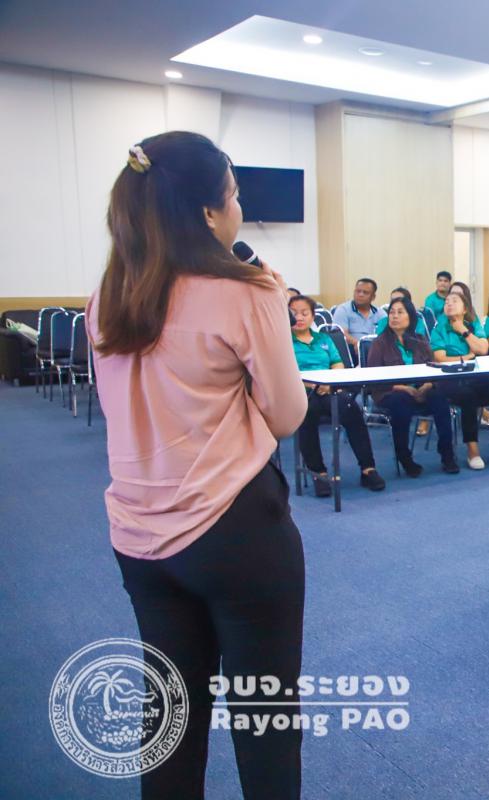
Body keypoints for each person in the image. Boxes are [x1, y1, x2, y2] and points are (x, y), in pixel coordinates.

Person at [87, 131, 309, 798]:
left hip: (138, 537)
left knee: (170, 721)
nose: (239, 209)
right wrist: (269, 304)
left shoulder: (106, 297)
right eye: (234, 196)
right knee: (265, 721)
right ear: (210, 213)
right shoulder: (243, 292)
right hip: (233, 529)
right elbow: (287, 415)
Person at [290, 295, 385, 494]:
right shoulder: (283, 342)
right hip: (300, 392)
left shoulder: (324, 339)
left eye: (304, 313)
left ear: (312, 316)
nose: (299, 317)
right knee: (306, 413)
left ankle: (368, 469)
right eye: (294, 313)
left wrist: (329, 383)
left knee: (352, 409)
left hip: (327, 389)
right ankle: (318, 472)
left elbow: (337, 364)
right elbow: (283, 372)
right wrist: (311, 384)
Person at [366, 296, 459, 475]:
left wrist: (427, 385)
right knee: (401, 402)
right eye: (392, 313)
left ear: (410, 317)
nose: (394, 316)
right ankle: (404, 457)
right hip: (391, 392)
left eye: (400, 312)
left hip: (421, 390)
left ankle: (447, 454)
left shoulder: (420, 340)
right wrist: (403, 387)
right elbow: (374, 378)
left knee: (439, 399)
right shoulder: (380, 344)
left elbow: (433, 368)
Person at [429, 291, 489, 469]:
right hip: (450, 378)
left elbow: (482, 349)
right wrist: (466, 356)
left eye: (454, 301)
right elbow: (440, 358)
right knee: (468, 396)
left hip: (475, 375)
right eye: (447, 302)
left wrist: (463, 330)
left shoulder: (473, 325)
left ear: (465, 309)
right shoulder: (439, 328)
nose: (449, 304)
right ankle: (472, 450)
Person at [331, 277, 385, 347]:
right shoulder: (343, 310)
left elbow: (387, 335)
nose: (360, 295)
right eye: (358, 291)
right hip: (351, 349)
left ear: (373, 297)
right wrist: (358, 344)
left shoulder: (380, 313)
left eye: (365, 292)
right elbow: (340, 334)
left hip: (376, 348)